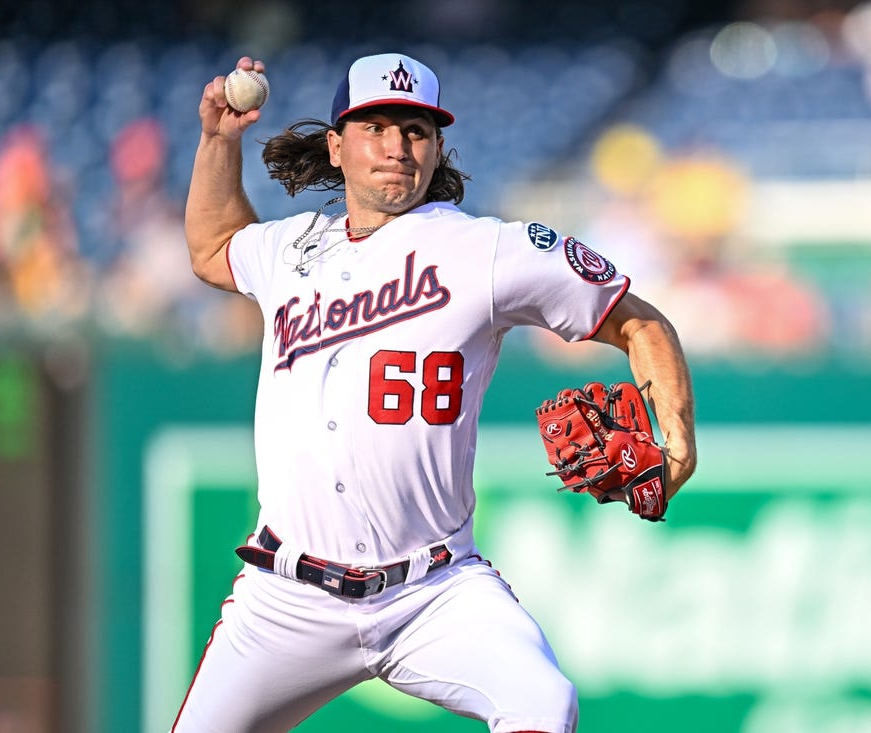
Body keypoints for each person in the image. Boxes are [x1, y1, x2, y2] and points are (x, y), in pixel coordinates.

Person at [173, 52, 697, 733]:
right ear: (336, 146)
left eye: (416, 130)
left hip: (433, 591)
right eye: (376, 127)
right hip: (287, 598)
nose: (397, 147)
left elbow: (637, 320)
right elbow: (214, 246)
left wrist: (677, 439)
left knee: (543, 702)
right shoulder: (289, 249)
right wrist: (220, 142)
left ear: (438, 145)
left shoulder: (489, 250)